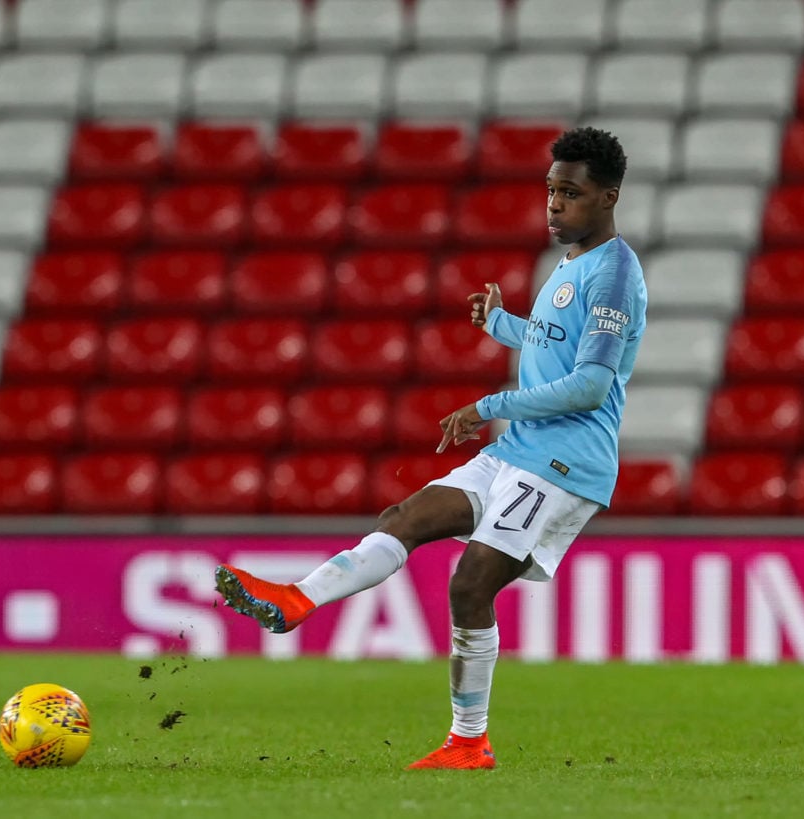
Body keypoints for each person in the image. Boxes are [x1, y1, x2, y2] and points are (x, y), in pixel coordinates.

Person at [215, 126, 647, 770]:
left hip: (565, 462)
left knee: (470, 585)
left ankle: (469, 742)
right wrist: (503, 326)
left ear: (609, 197)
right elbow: (557, 340)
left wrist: (488, 406)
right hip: (522, 449)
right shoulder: (572, 262)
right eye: (551, 191)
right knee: (405, 520)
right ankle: (295, 600)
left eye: (572, 194)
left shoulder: (615, 274)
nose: (555, 205)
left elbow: (589, 385)